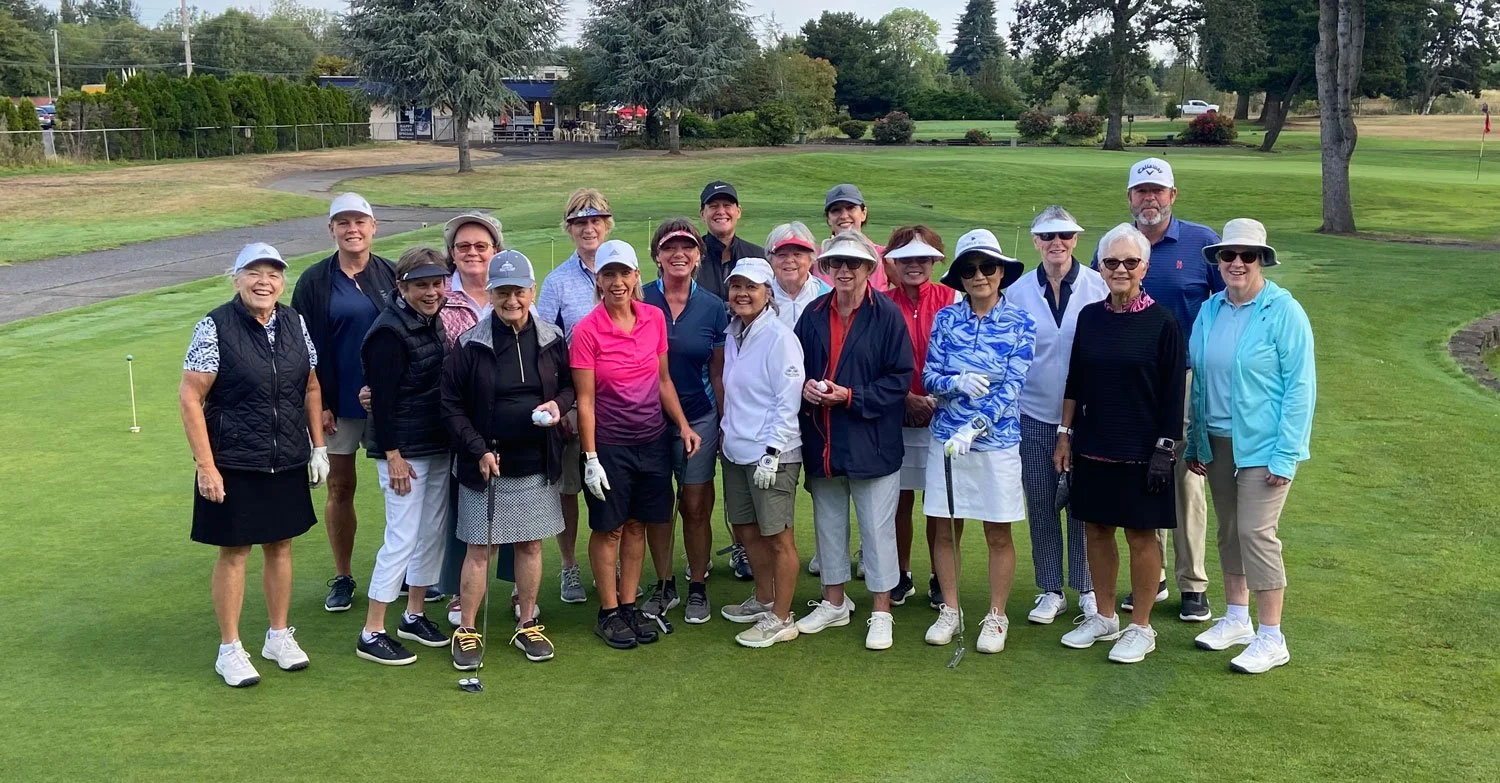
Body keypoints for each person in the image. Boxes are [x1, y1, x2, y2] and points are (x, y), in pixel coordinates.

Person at [180, 242, 329, 687]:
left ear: (283, 281)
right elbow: (191, 397)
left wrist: (317, 446)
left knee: (281, 545)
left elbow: (310, 386)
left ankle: (278, 636)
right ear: (236, 278)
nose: (264, 282)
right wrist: (206, 466)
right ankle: (230, 648)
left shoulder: (294, 322)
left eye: (274, 274)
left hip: (285, 456)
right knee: (235, 551)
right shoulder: (215, 326)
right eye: (254, 273)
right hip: (234, 460)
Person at [1095, 158, 1223, 622]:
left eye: (1158, 191)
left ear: (1174, 195)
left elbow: (1221, 302)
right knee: (1143, 476)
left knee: (1185, 480)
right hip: (1129, 383)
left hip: (1182, 377)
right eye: (1141, 191)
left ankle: (1193, 583)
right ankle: (1157, 576)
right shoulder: (1111, 245)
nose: (1149, 199)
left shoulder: (1200, 241)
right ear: (1129, 197)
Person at [1185, 219, 1315, 674]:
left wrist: (1287, 453)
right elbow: (1199, 378)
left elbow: (1301, 388)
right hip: (1217, 440)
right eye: (1229, 255)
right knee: (1229, 530)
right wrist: (1196, 440)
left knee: (1257, 533)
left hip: (1265, 446)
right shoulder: (1210, 309)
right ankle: (1237, 617)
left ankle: (1272, 636)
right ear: (1218, 260)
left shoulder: (1283, 311)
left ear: (1262, 260)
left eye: (1248, 256)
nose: (1237, 263)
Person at [1058, 223, 1186, 664]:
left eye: (1130, 262)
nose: (1120, 270)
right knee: (1095, 527)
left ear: (1144, 267)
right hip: (1094, 443)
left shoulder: (1163, 322)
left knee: (1140, 534)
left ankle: (1142, 626)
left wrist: (1165, 450)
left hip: (1143, 450)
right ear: (1100, 266)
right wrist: (1065, 434)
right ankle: (1105, 616)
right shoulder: (1090, 318)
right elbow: (1075, 380)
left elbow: (1173, 393)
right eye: (1111, 262)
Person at [442, 250, 574, 668]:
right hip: (486, 462)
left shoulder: (552, 337)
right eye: (502, 292)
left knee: (531, 545)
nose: (511, 299)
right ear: (491, 293)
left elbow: (571, 388)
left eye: (518, 290)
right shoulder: (470, 344)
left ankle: (528, 621)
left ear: (531, 291)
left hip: (536, 459)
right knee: (480, 550)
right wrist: (477, 448)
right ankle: (466, 629)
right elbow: (450, 406)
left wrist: (557, 405)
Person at [571, 239, 703, 649]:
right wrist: (590, 457)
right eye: (608, 274)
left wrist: (682, 425)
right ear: (599, 279)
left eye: (623, 274)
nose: (616, 282)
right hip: (609, 444)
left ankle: (628, 605)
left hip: (651, 439)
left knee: (637, 525)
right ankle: (608, 611)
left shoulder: (653, 319)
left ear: (635, 277)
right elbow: (585, 400)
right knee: (609, 528)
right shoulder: (586, 330)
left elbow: (663, 381)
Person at [793, 230, 914, 651]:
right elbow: (797, 370)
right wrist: (806, 389)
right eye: (836, 264)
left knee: (877, 529)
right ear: (826, 269)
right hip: (823, 437)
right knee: (828, 523)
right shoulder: (811, 313)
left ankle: (881, 610)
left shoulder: (887, 316)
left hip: (872, 438)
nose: (844, 271)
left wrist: (851, 396)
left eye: (853, 264)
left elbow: (898, 381)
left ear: (868, 269)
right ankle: (834, 602)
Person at [921, 229, 1035, 654]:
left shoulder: (1021, 323)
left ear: (1002, 272)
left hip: (995, 443)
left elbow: (1012, 389)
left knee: (997, 533)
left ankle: (997, 616)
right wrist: (955, 382)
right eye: (969, 269)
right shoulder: (947, 319)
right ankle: (950, 610)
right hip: (946, 441)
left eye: (988, 267)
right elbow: (930, 377)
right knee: (947, 530)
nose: (979, 276)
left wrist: (977, 427)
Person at [291, 192, 398, 613]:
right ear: (331, 229)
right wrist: (319, 404)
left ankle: (401, 569)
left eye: (360, 221)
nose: (352, 229)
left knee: (399, 489)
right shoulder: (315, 281)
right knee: (340, 486)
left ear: (374, 227)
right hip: (336, 403)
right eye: (343, 222)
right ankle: (343, 575)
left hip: (388, 402)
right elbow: (302, 349)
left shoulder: (392, 274)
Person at [1008, 206, 1109, 624]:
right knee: (1042, 500)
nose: (1056, 243)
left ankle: (1086, 586)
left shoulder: (1098, 285)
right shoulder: (1016, 291)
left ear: (1075, 239)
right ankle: (1051, 589)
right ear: (1035, 242)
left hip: (1087, 415)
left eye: (1064, 235)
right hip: (1032, 412)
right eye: (1048, 236)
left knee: (1083, 503)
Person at [354, 248, 454, 665]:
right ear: (402, 287)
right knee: (401, 538)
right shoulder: (389, 333)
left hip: (434, 444)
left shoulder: (431, 322)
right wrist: (392, 455)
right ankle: (372, 630)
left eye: (436, 283)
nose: (431, 292)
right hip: (403, 452)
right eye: (421, 285)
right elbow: (383, 401)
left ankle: (413, 614)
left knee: (429, 534)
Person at [640, 219, 728, 624]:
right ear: (656, 255)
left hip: (700, 418)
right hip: (646, 422)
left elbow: (717, 371)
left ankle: (697, 584)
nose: (679, 254)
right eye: (669, 247)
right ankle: (663, 584)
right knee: (659, 505)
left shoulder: (713, 306)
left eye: (687, 247)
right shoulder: (639, 301)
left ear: (698, 256)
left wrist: (723, 419)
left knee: (694, 504)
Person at [717, 258, 806, 647]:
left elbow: (788, 399)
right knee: (747, 530)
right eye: (736, 286)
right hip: (737, 450)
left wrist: (772, 450)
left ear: (768, 293)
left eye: (751, 287)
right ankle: (765, 598)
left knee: (778, 537)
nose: (742, 293)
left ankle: (782, 618)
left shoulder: (779, 336)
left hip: (772, 453)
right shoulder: (735, 332)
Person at [536, 188, 614, 605]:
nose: (589, 228)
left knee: (612, 487)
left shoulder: (624, 269)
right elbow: (545, 348)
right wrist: (563, 405)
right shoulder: (558, 282)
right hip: (571, 405)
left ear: (607, 224)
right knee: (569, 490)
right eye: (580, 222)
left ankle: (611, 562)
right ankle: (569, 568)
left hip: (617, 405)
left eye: (596, 220)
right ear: (569, 228)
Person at [881, 225, 957, 610]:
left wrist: (934, 397)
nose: (914, 264)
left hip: (944, 417)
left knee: (944, 501)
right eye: (906, 257)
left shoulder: (953, 299)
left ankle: (942, 578)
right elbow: (873, 364)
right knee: (899, 500)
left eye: (922, 257)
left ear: (934, 261)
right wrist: (906, 397)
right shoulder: (880, 303)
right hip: (895, 415)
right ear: (892, 262)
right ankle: (900, 573)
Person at [434, 211, 503, 626]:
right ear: (452, 254)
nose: (473, 253)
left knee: (515, 508)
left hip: (506, 422)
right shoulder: (438, 293)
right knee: (465, 511)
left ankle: (514, 589)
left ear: (496, 251)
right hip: (454, 420)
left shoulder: (510, 291)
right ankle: (459, 593)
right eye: (464, 246)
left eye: (482, 246)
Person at [696, 180, 767, 301]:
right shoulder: (690, 257)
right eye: (713, 206)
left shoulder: (758, 256)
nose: (721, 211)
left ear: (738, 212)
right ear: (703, 214)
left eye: (727, 205)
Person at [813, 184, 890, 291]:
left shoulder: (884, 257)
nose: (844, 216)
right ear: (829, 219)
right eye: (836, 210)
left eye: (850, 208)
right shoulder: (816, 259)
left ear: (863, 213)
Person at [766, 222, 832, 331]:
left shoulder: (828, 296)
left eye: (798, 254)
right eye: (782, 255)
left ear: (811, 259)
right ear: (770, 259)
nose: (789, 260)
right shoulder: (760, 297)